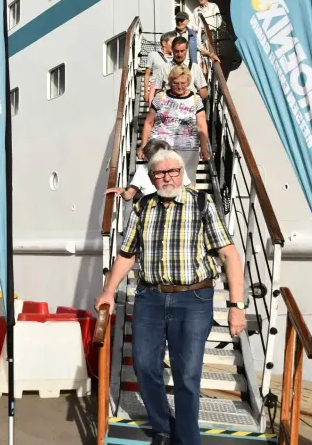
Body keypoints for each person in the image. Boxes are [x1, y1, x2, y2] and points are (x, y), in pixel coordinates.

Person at [94, 150, 246, 445]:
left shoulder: (201, 203)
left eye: (173, 171)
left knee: (187, 374)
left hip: (193, 300)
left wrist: (236, 306)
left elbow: (229, 254)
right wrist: (108, 291)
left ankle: (188, 439)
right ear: (151, 178)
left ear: (182, 172)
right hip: (150, 298)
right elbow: (127, 254)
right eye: (160, 173)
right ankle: (162, 428)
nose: (167, 178)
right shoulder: (143, 207)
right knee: (144, 365)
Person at [140, 66, 211, 184]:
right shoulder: (160, 97)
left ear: (188, 82)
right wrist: (143, 145)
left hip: (187, 148)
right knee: (158, 180)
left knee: (187, 182)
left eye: (183, 83)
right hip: (159, 147)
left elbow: (201, 126)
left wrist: (204, 147)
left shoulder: (195, 99)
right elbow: (149, 122)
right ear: (170, 82)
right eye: (176, 83)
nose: (179, 86)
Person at [106, 139, 192, 202]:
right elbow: (129, 195)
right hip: (151, 209)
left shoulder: (176, 167)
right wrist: (122, 192)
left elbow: (190, 187)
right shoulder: (142, 170)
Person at [147, 35, 209, 105]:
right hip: (169, 105)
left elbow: (203, 93)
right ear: (172, 49)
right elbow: (157, 91)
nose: (179, 54)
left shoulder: (195, 67)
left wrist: (196, 104)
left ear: (186, 50)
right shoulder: (164, 67)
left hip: (189, 106)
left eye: (182, 51)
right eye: (176, 51)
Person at [143, 32, 176, 105]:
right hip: (156, 88)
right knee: (154, 110)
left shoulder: (176, 57)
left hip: (171, 88)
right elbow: (147, 75)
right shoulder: (152, 55)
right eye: (172, 42)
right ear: (164, 43)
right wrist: (146, 92)